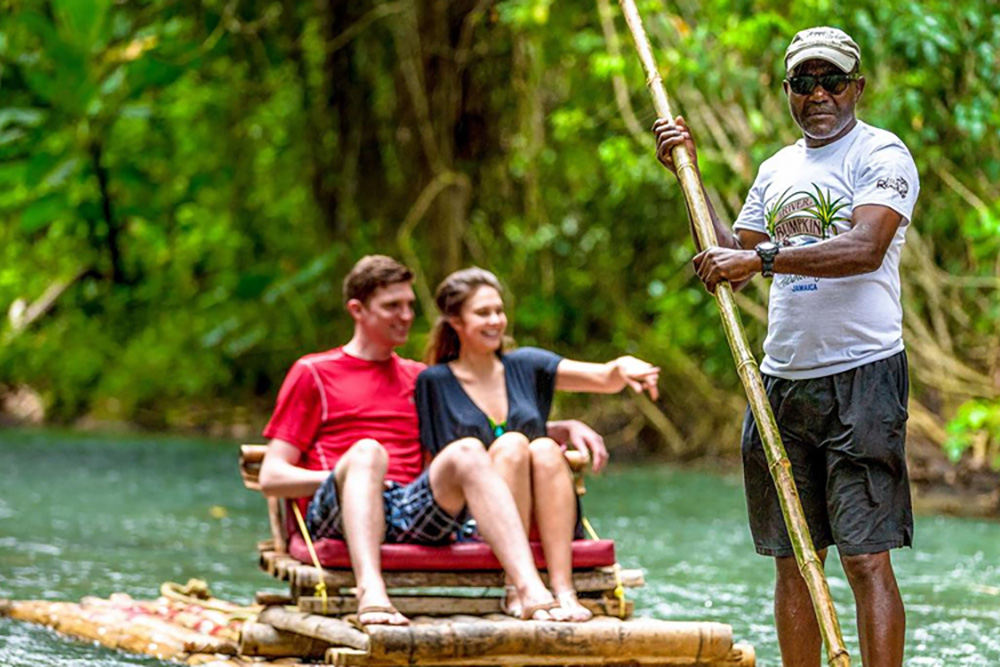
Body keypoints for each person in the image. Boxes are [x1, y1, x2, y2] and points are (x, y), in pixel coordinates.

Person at [653, 26, 919, 667]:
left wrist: (763, 258)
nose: (819, 93)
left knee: (863, 555)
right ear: (788, 92)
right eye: (805, 82)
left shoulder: (882, 154)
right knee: (794, 556)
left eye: (832, 80)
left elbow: (864, 248)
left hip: (863, 377)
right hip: (779, 381)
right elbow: (732, 258)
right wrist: (689, 171)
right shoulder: (776, 169)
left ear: (857, 86)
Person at [258, 255, 606, 625]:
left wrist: (560, 427)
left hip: (411, 506)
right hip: (341, 506)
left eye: (409, 305)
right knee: (367, 452)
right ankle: (371, 594)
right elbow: (271, 477)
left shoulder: (421, 378)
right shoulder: (314, 373)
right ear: (357, 310)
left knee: (468, 451)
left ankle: (529, 589)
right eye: (393, 306)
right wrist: (359, 478)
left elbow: (486, 432)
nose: (406, 315)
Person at [415, 267, 660, 622]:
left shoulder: (526, 364)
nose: (496, 320)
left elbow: (604, 377)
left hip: (547, 509)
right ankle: (517, 585)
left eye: (499, 311)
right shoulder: (434, 382)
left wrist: (622, 367)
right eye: (483, 313)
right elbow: (437, 462)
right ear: (455, 320)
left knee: (544, 448)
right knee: (513, 444)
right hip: (479, 517)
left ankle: (563, 589)